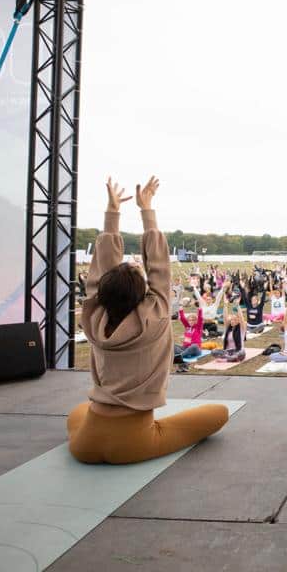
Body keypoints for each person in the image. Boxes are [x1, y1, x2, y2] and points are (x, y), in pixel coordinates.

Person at [67, 177, 228, 464]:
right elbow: (160, 266)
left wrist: (112, 215)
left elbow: (102, 270)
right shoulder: (153, 318)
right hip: (134, 442)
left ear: (102, 294)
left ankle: (98, 433)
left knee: (78, 413)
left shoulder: (92, 318)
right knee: (219, 413)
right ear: (143, 295)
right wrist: (147, 211)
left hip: (85, 444)